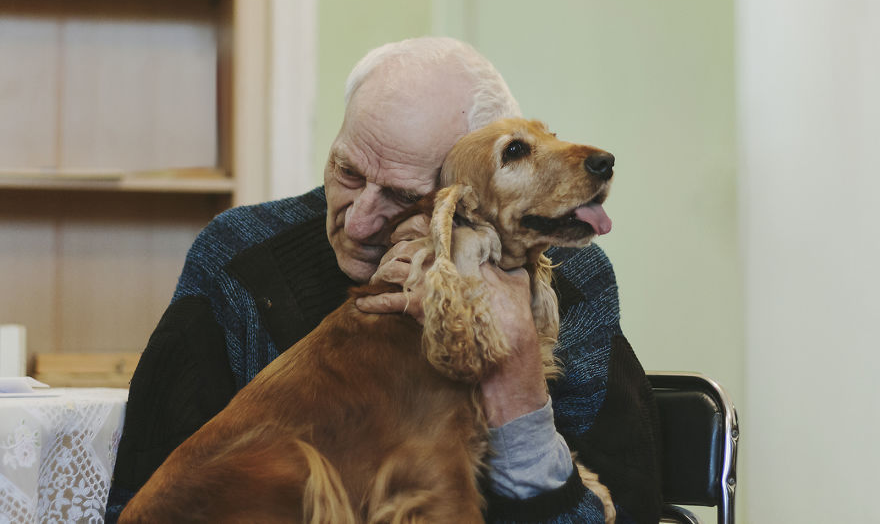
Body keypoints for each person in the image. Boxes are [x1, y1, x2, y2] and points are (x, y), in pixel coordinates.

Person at [105, 37, 661, 523]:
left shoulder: (574, 281)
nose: (358, 220)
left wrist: (515, 386)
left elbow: (626, 510)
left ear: (473, 199)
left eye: (402, 196)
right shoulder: (238, 254)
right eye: (347, 172)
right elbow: (135, 494)